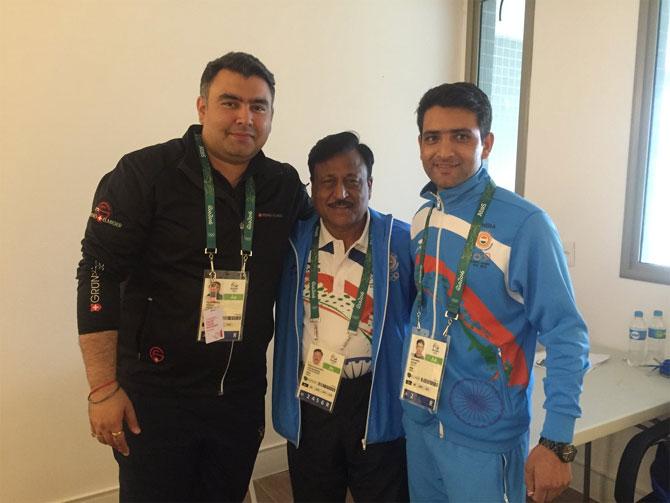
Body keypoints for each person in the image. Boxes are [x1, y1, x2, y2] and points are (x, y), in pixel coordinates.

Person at [76, 51, 311, 502]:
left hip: (239, 396)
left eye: (258, 106)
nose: (245, 118)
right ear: (202, 107)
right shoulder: (145, 173)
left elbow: (330, 236)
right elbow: (97, 272)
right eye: (230, 103)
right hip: (155, 396)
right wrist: (103, 389)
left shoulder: (282, 185)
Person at [402, 82, 589, 503]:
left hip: (485, 439)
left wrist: (557, 440)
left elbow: (566, 333)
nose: (444, 151)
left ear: (485, 143)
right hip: (420, 420)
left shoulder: (525, 225)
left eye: (461, 136)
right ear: (419, 145)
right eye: (433, 138)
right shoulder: (422, 219)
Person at [272, 132, 413, 502]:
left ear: (370, 183)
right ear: (313, 189)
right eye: (328, 182)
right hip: (312, 394)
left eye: (352, 180)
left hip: (376, 397)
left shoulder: (402, 242)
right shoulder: (290, 244)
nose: (341, 193)